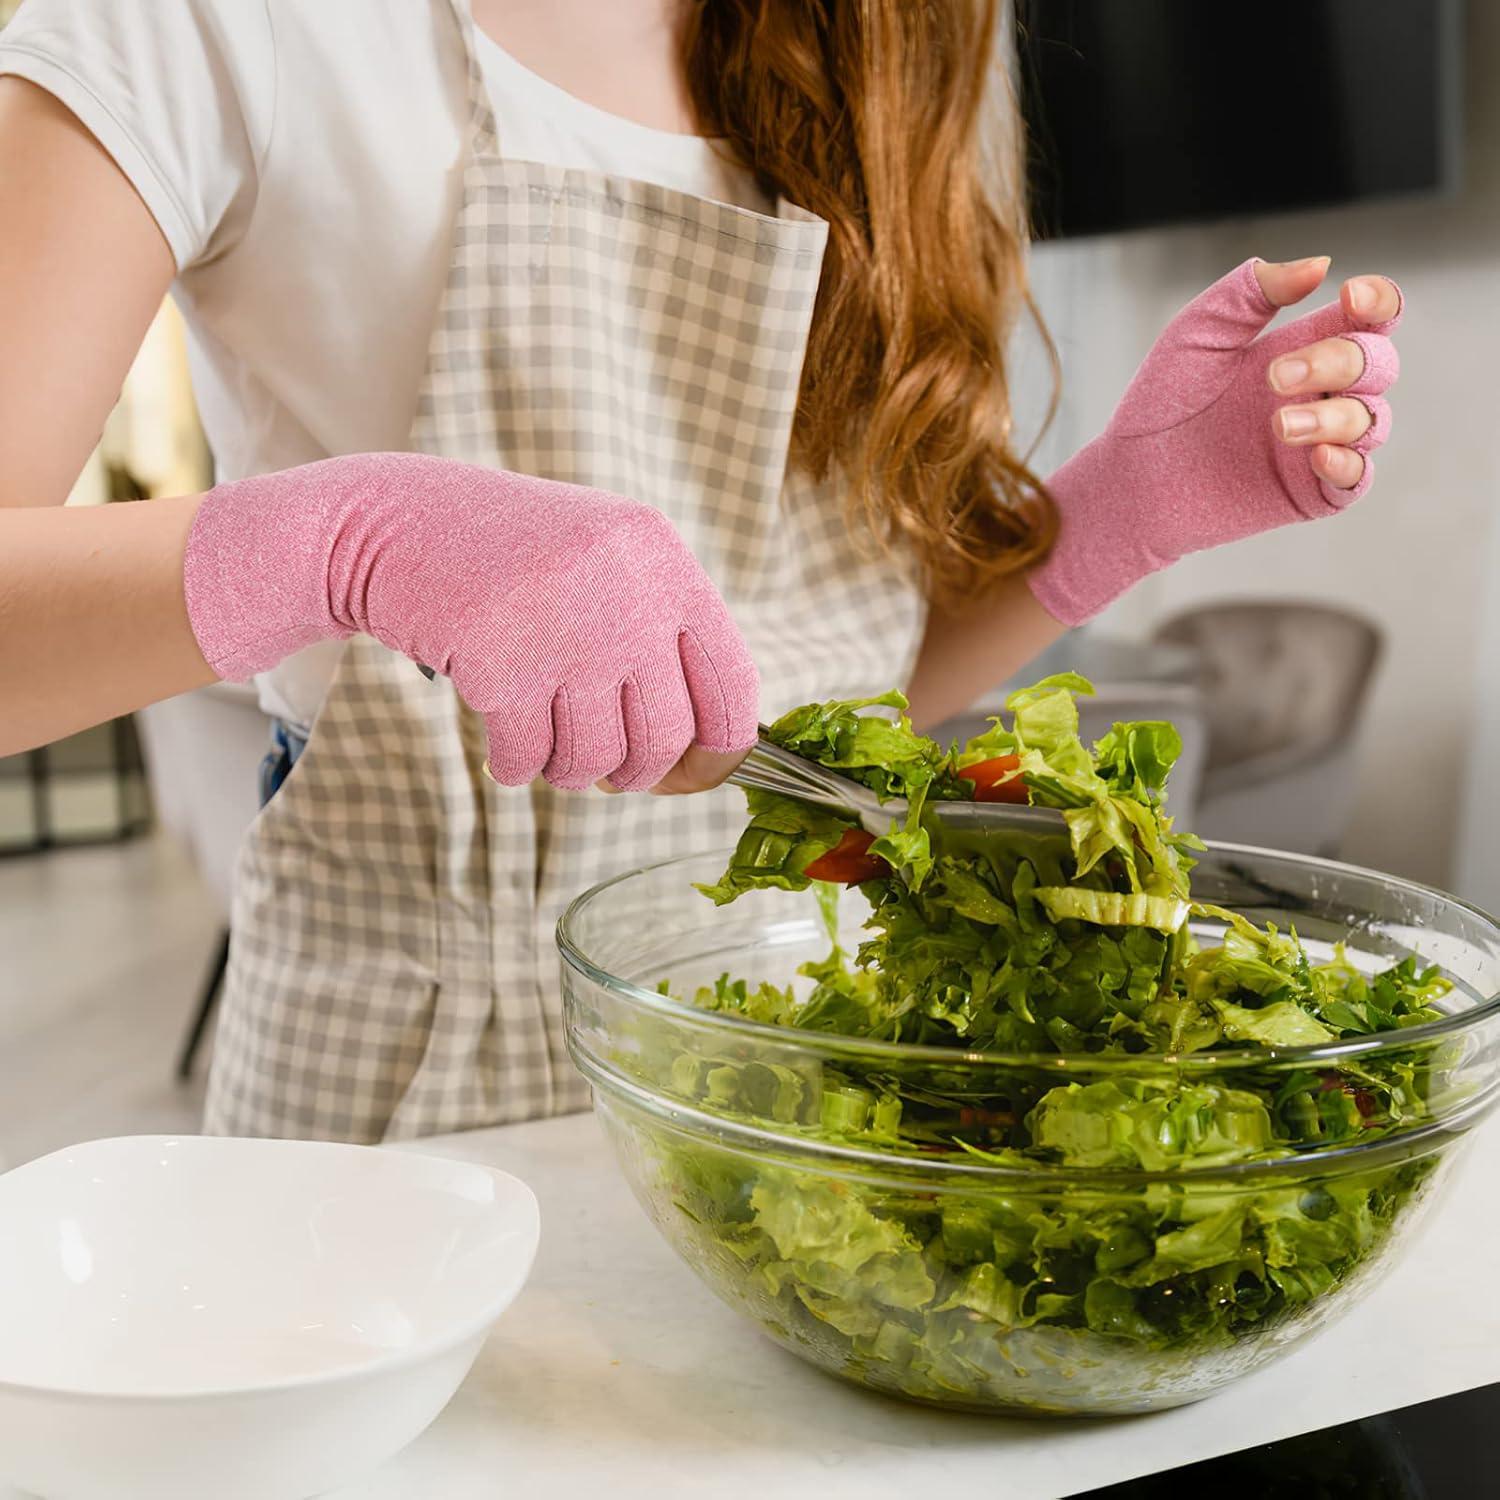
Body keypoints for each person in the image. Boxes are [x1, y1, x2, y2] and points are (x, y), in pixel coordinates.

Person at [0, 0, 1403, 1142]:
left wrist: (1117, 510)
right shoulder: (206, 25)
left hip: (813, 1094)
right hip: (406, 1117)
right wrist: (346, 538)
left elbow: (842, 682)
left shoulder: (901, 38)